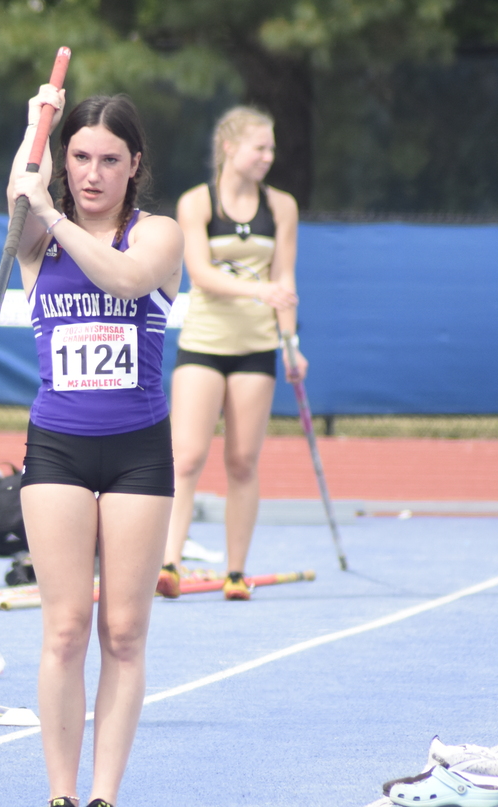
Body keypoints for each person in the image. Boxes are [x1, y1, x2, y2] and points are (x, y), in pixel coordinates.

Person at [8, 87, 184, 807]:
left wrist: (51, 216)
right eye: (79, 157)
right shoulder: (33, 238)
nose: (91, 173)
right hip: (57, 447)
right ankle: (59, 795)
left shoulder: (161, 234)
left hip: (139, 449)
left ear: (134, 165)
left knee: (123, 631)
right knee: (66, 627)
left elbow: (122, 281)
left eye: (109, 159)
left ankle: (103, 802)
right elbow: (21, 193)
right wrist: (32, 130)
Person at [157, 106, 305, 601]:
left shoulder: (281, 206)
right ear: (229, 148)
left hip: (256, 348)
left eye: (271, 148)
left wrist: (291, 344)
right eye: (259, 147)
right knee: (186, 458)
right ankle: (169, 562)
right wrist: (260, 293)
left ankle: (236, 572)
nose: (269, 156)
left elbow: (284, 278)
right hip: (204, 343)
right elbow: (200, 272)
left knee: (242, 460)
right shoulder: (197, 202)